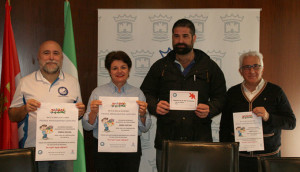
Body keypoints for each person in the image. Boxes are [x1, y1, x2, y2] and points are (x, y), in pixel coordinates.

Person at [140, 18, 226, 171]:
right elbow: (145, 93)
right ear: (172, 37)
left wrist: (210, 109)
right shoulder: (160, 66)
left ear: (194, 38)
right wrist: (154, 105)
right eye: (176, 36)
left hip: (199, 141)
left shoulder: (209, 67)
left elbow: (221, 97)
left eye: (185, 36)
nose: (180, 40)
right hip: (167, 141)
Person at [8, 40, 85, 172]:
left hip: (63, 150)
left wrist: (80, 113)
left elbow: (77, 113)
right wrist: (24, 108)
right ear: (38, 57)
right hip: (34, 150)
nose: (51, 57)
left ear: (61, 58)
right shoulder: (25, 82)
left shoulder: (72, 82)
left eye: (56, 53)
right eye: (46, 53)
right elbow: (12, 115)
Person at [219, 51, 296, 172]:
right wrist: (226, 153)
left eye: (256, 66)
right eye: (247, 67)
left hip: (268, 159)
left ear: (262, 68)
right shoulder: (232, 93)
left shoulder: (276, 91)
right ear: (240, 71)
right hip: (240, 159)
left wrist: (268, 117)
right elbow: (224, 127)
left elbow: (291, 123)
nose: (252, 71)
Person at [82, 51, 152, 172]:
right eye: (115, 68)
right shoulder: (98, 93)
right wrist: (93, 113)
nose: (119, 71)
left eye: (123, 67)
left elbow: (145, 128)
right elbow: (87, 127)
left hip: (130, 150)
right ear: (109, 71)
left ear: (129, 70)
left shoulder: (138, 93)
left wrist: (142, 115)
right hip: (104, 150)